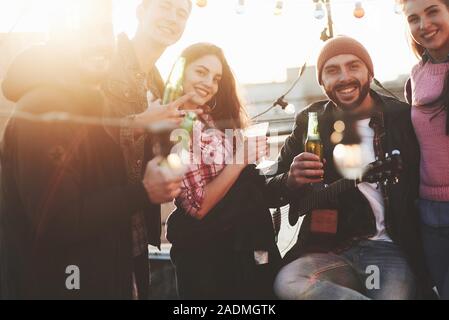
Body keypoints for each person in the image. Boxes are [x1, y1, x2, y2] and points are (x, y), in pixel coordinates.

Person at [0, 7, 185, 299]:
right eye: (84, 31)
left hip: (103, 267)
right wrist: (144, 190)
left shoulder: (88, 104)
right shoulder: (44, 107)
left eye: (105, 31)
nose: (99, 42)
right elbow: (60, 218)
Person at [268, 36, 431, 300]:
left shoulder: (402, 118)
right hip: (329, 252)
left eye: (353, 66)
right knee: (289, 281)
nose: (344, 77)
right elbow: (268, 189)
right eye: (332, 71)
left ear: (370, 72)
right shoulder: (311, 121)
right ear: (322, 82)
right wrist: (290, 180)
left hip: (386, 252)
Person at [165, 43, 282, 300]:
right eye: (201, 72)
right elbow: (198, 205)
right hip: (211, 258)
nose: (209, 83)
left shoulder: (208, 119)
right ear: (181, 71)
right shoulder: (177, 125)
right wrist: (241, 159)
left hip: (243, 247)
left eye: (216, 78)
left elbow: (239, 184)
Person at [100, 0, 198, 299]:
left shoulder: (159, 82)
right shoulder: (104, 60)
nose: (173, 17)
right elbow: (82, 136)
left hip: (136, 227)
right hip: (98, 227)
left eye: (182, 13)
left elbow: (155, 155)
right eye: (165, 7)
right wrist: (141, 122)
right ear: (141, 10)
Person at [399, 0, 449, 299]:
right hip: (429, 211)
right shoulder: (416, 77)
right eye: (414, 18)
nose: (424, 24)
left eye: (433, 12)